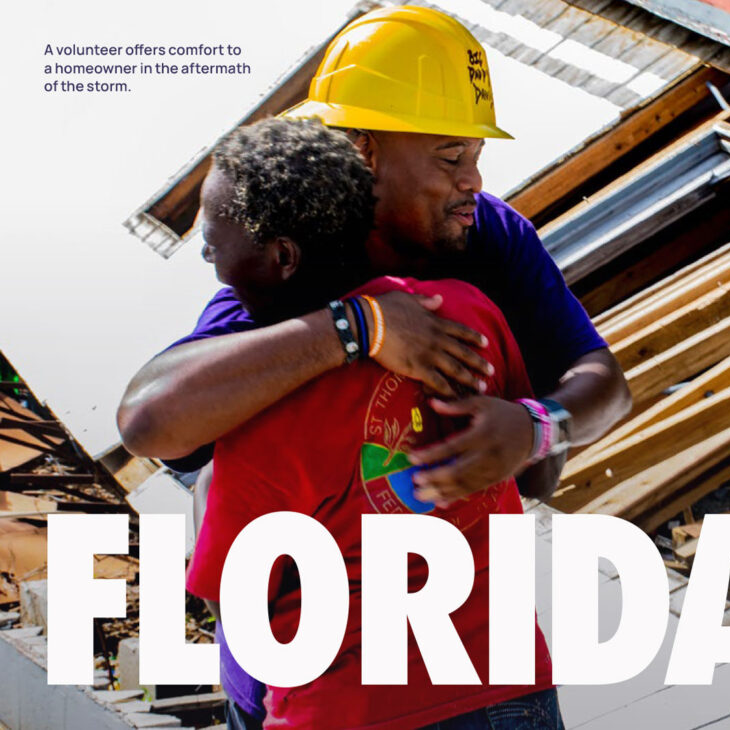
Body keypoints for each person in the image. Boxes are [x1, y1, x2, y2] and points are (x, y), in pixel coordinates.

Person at [118, 5, 630, 727]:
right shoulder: (294, 260)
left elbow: (602, 385)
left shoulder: (487, 241)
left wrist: (536, 427)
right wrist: (359, 329)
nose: (473, 181)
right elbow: (151, 418)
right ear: (364, 151)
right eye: (450, 158)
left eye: (475, 154)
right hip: (320, 692)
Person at [186, 116, 561, 729]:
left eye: (212, 243)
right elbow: (538, 475)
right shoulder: (469, 312)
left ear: (282, 256)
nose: (210, 260)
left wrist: (209, 500)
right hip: (507, 692)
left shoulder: (258, 417)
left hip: (346, 710)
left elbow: (236, 603)